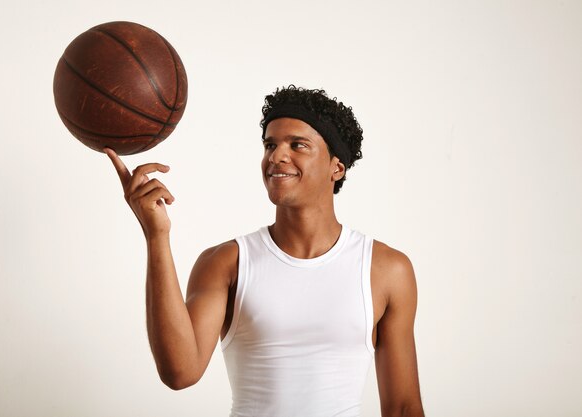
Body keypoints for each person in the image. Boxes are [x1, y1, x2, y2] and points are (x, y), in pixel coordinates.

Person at [105, 85, 425, 417]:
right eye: (270, 145)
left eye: (297, 145)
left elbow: (403, 407)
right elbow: (179, 373)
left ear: (337, 167)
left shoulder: (386, 269)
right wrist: (157, 236)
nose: (276, 156)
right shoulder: (226, 263)